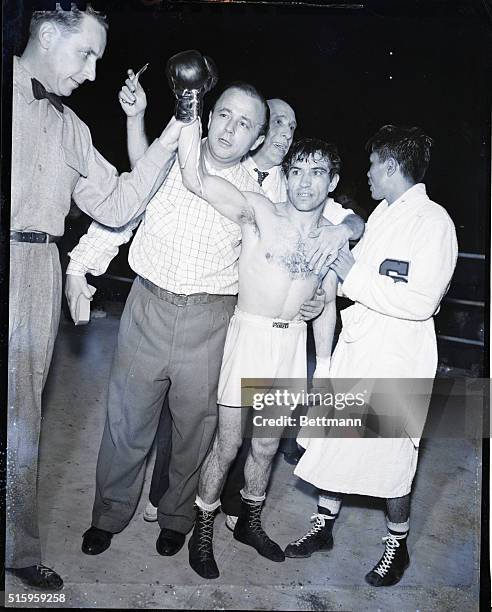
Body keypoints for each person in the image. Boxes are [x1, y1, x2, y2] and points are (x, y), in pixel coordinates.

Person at [7, 5, 183, 590]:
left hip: (35, 271)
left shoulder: (74, 129)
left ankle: (17, 548)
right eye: (85, 54)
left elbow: (120, 203)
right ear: (47, 34)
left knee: (21, 420)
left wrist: (175, 131)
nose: (90, 72)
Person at [66, 80, 275, 558]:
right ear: (207, 111)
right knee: (126, 424)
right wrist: (80, 267)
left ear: (258, 141)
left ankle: (178, 517)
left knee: (195, 429)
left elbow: (279, 254)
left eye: (245, 124)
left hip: (212, 318)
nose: (230, 129)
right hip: (147, 307)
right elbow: (121, 215)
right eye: (223, 114)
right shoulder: (165, 158)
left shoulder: (258, 198)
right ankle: (109, 515)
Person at [143, 95, 362, 526]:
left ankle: (250, 523)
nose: (304, 183)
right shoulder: (261, 206)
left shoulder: (332, 235)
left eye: (317, 174)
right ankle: (202, 531)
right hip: (249, 334)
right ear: (287, 174)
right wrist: (189, 110)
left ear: (332, 182)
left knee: (265, 446)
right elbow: (196, 178)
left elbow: (330, 297)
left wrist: (326, 367)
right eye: (297, 172)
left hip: (292, 346)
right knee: (226, 444)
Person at [289, 125, 458, 587]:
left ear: (389, 166)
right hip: (358, 347)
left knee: (392, 458)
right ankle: (323, 527)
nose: (365, 173)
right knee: (334, 443)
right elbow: (355, 278)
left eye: (371, 165)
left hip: (399, 356)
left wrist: (350, 275)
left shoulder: (434, 223)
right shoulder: (383, 214)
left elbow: (422, 301)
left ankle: (396, 546)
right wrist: (328, 295)